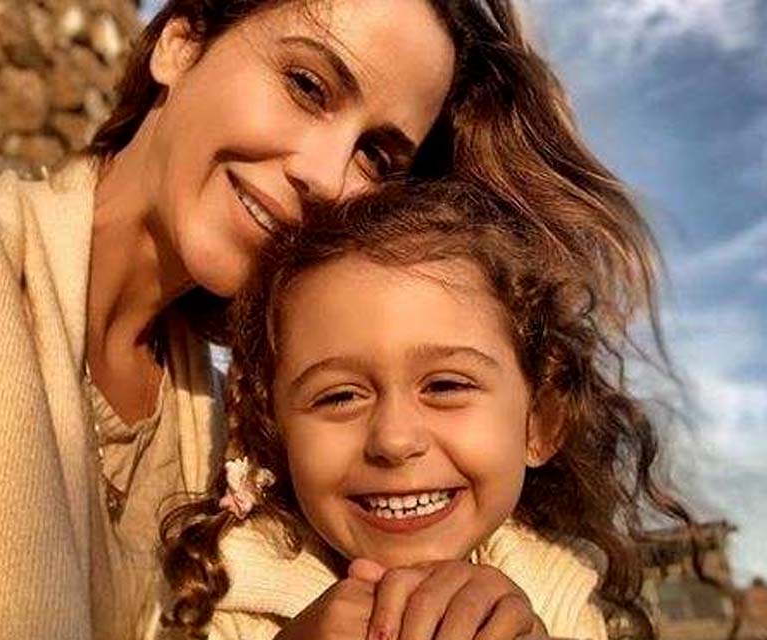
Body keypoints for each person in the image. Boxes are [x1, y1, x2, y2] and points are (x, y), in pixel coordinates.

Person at [0, 1, 658, 639]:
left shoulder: (227, 449)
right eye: (307, 85)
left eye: (375, 155)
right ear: (180, 42)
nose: (325, 174)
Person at [156, 181, 696, 640]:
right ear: (275, 430)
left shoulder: (562, 594)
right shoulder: (219, 595)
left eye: (445, 386)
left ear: (540, 422)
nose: (394, 439)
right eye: (340, 396)